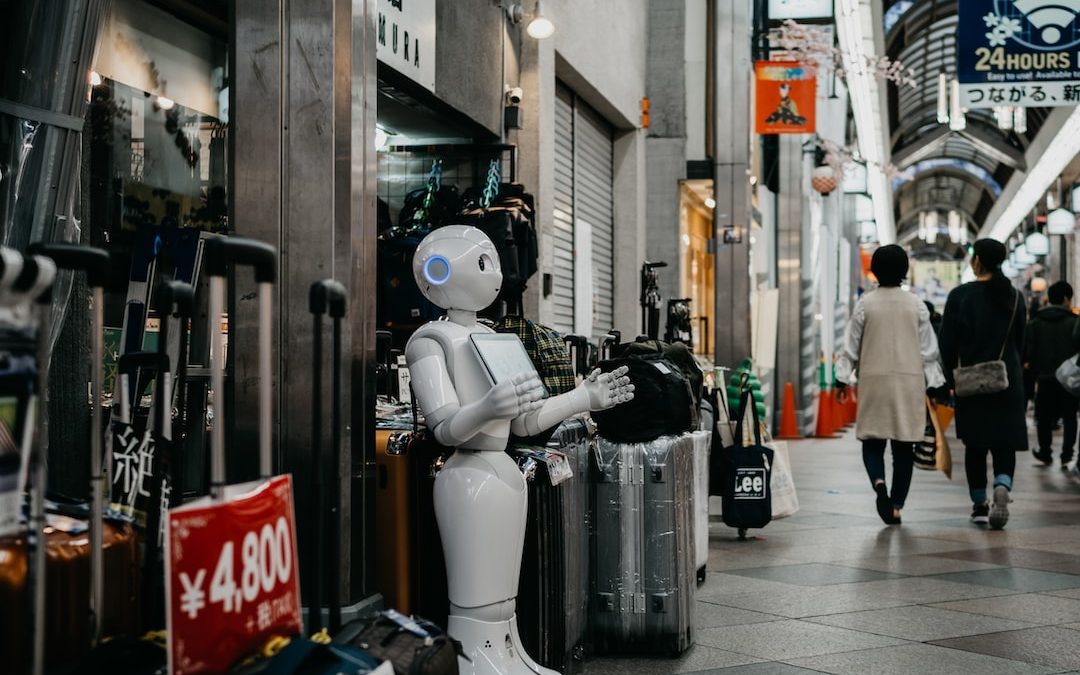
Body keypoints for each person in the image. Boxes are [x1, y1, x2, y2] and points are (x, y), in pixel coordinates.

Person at [837, 245, 944, 525]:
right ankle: (896, 506)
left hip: (873, 381)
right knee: (903, 448)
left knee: (872, 441)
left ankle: (879, 484)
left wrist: (841, 378)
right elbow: (929, 352)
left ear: (874, 269)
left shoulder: (865, 304)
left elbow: (850, 348)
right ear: (904, 270)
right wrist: (935, 385)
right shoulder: (916, 305)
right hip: (909, 383)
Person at [939, 239, 1026, 530]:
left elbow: (947, 345)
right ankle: (1002, 483)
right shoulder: (1014, 296)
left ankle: (979, 504)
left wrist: (946, 380)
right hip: (1007, 380)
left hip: (972, 382)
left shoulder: (960, 296)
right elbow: (1020, 343)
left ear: (977, 261)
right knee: (1005, 442)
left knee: (975, 445)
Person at [1025, 281, 1079, 469]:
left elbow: (1029, 352)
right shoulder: (1074, 322)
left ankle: (1045, 451)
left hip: (1045, 377)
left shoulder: (1036, 322)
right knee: (1070, 416)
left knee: (1044, 416)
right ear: (1066, 299)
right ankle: (1067, 454)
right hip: (1069, 379)